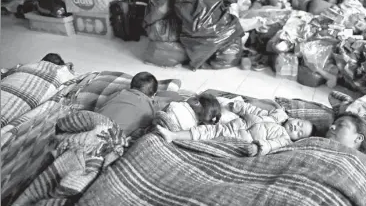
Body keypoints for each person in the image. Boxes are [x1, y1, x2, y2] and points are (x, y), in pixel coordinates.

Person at [157, 100, 315, 156]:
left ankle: (179, 138)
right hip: (236, 124)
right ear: (294, 118)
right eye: (300, 124)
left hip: (240, 140)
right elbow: (254, 111)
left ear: (296, 139)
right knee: (208, 130)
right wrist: (241, 107)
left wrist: (259, 147)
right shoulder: (276, 115)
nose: (296, 128)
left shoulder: (284, 139)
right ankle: (174, 135)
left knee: (210, 138)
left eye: (299, 133)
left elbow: (272, 144)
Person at [97, 72, 161, 137]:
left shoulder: (117, 94)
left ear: (131, 87)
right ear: (153, 95)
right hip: (108, 139)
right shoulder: (150, 107)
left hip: (92, 125)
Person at [156, 93, 222, 132]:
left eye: (194, 98)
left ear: (196, 102)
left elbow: (161, 112)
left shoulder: (177, 105)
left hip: (160, 124)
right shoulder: (194, 127)